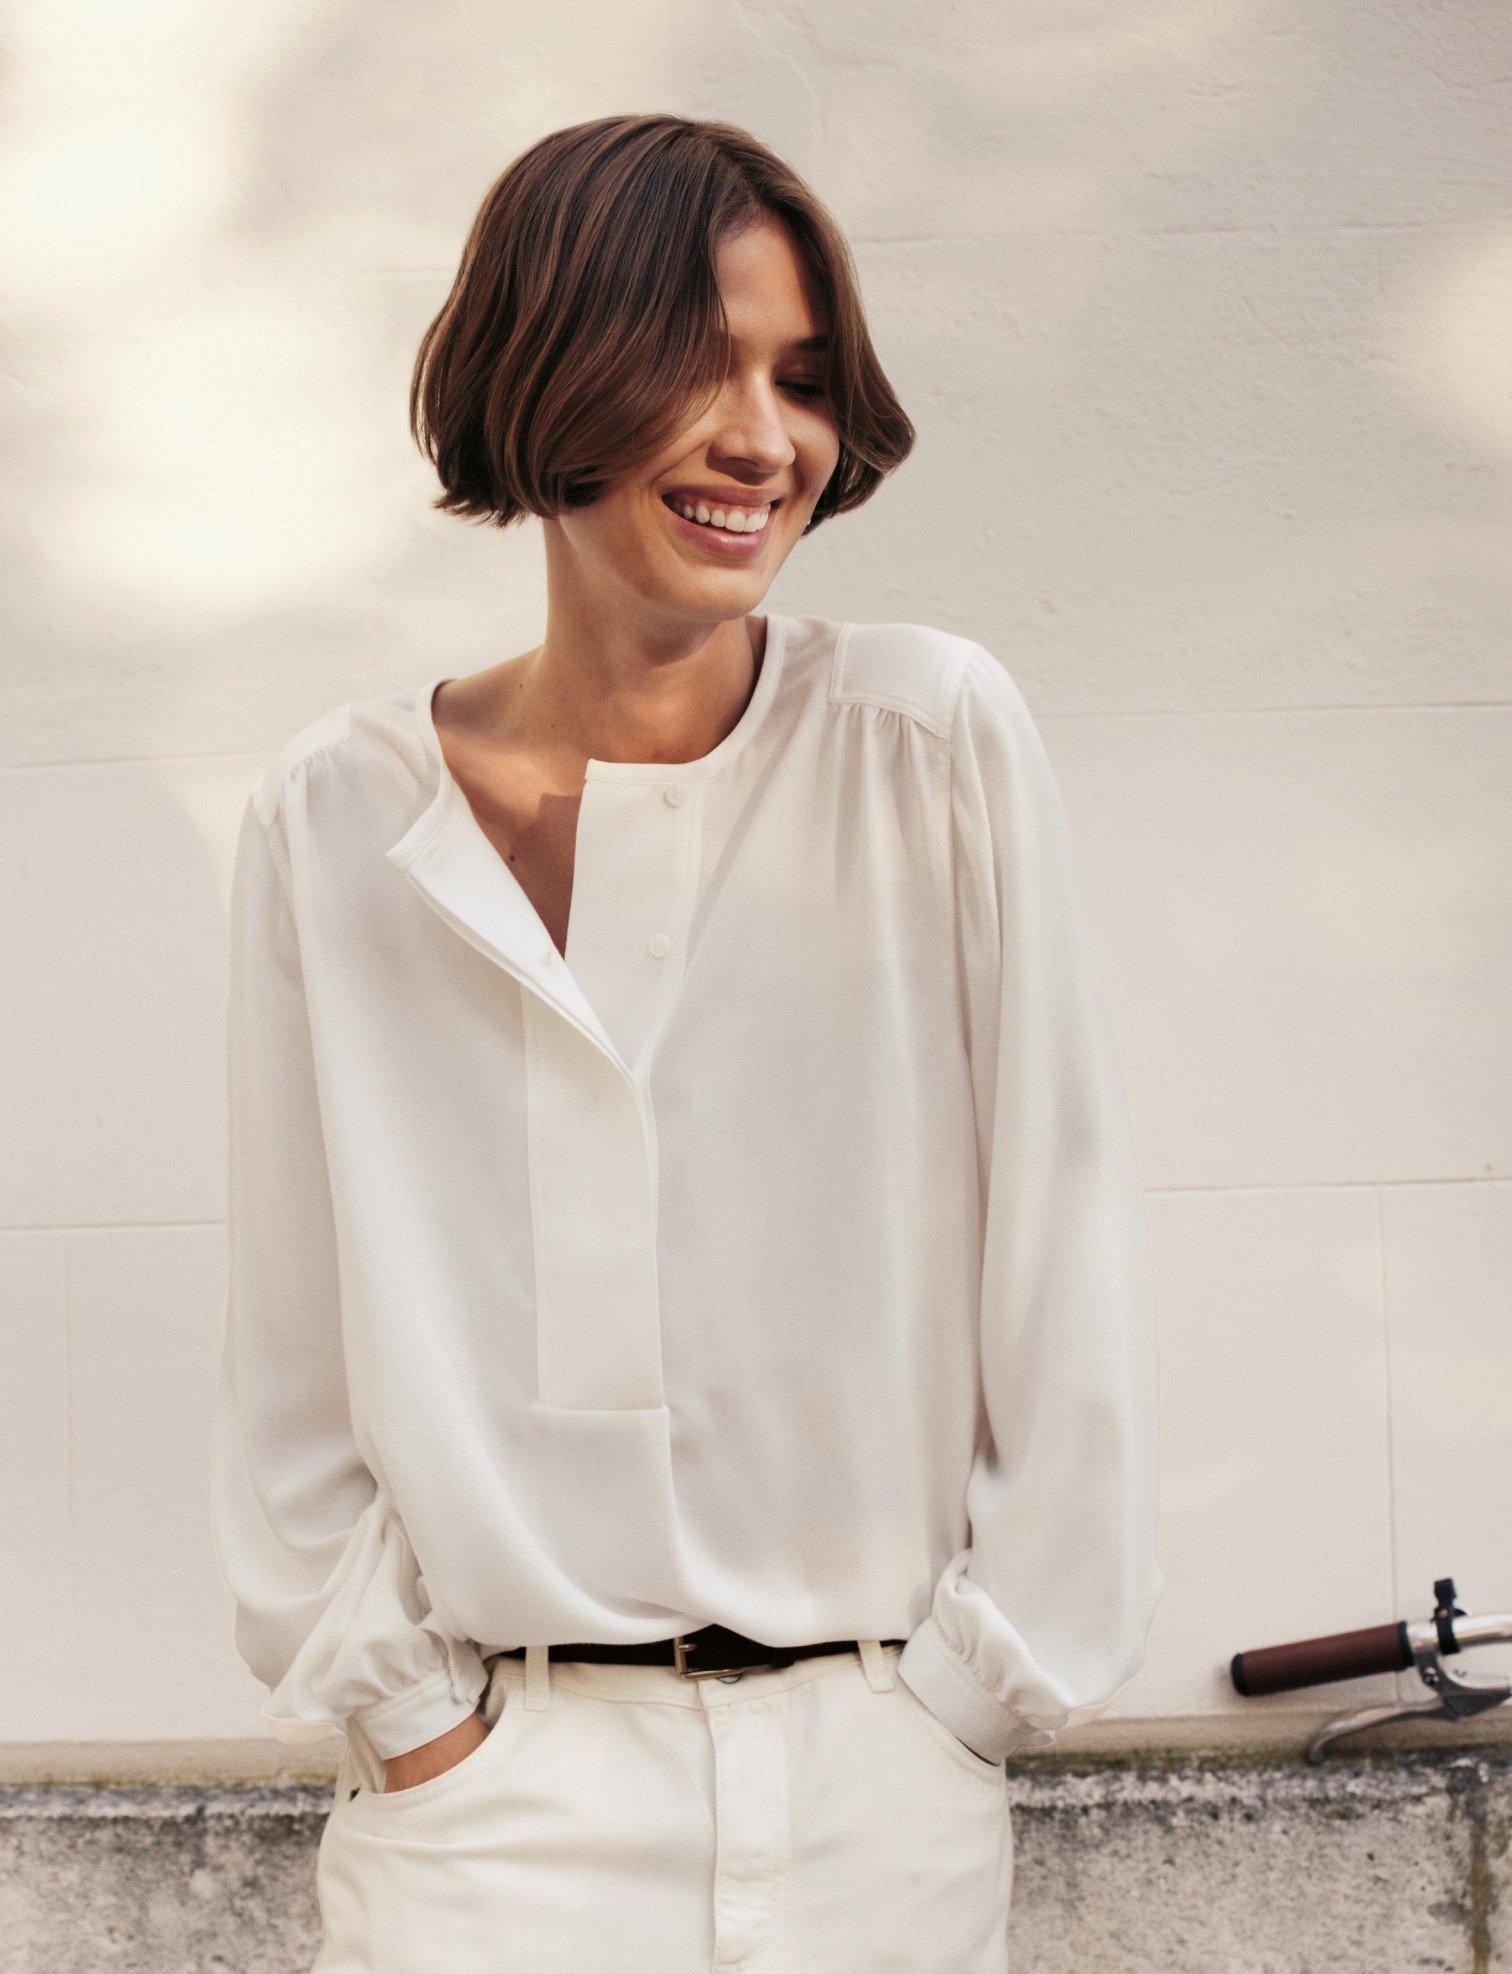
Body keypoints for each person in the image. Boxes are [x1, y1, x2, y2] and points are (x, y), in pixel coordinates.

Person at [211, 112, 1164, 1973]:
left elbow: (1068, 1252)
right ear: (550, 370)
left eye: (801, 379)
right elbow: (291, 1351)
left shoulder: (926, 741)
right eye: (698, 366)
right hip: (485, 1821)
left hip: (878, 1793)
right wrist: (412, 1720)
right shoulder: (333, 819)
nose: (765, 439)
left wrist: (972, 1697)